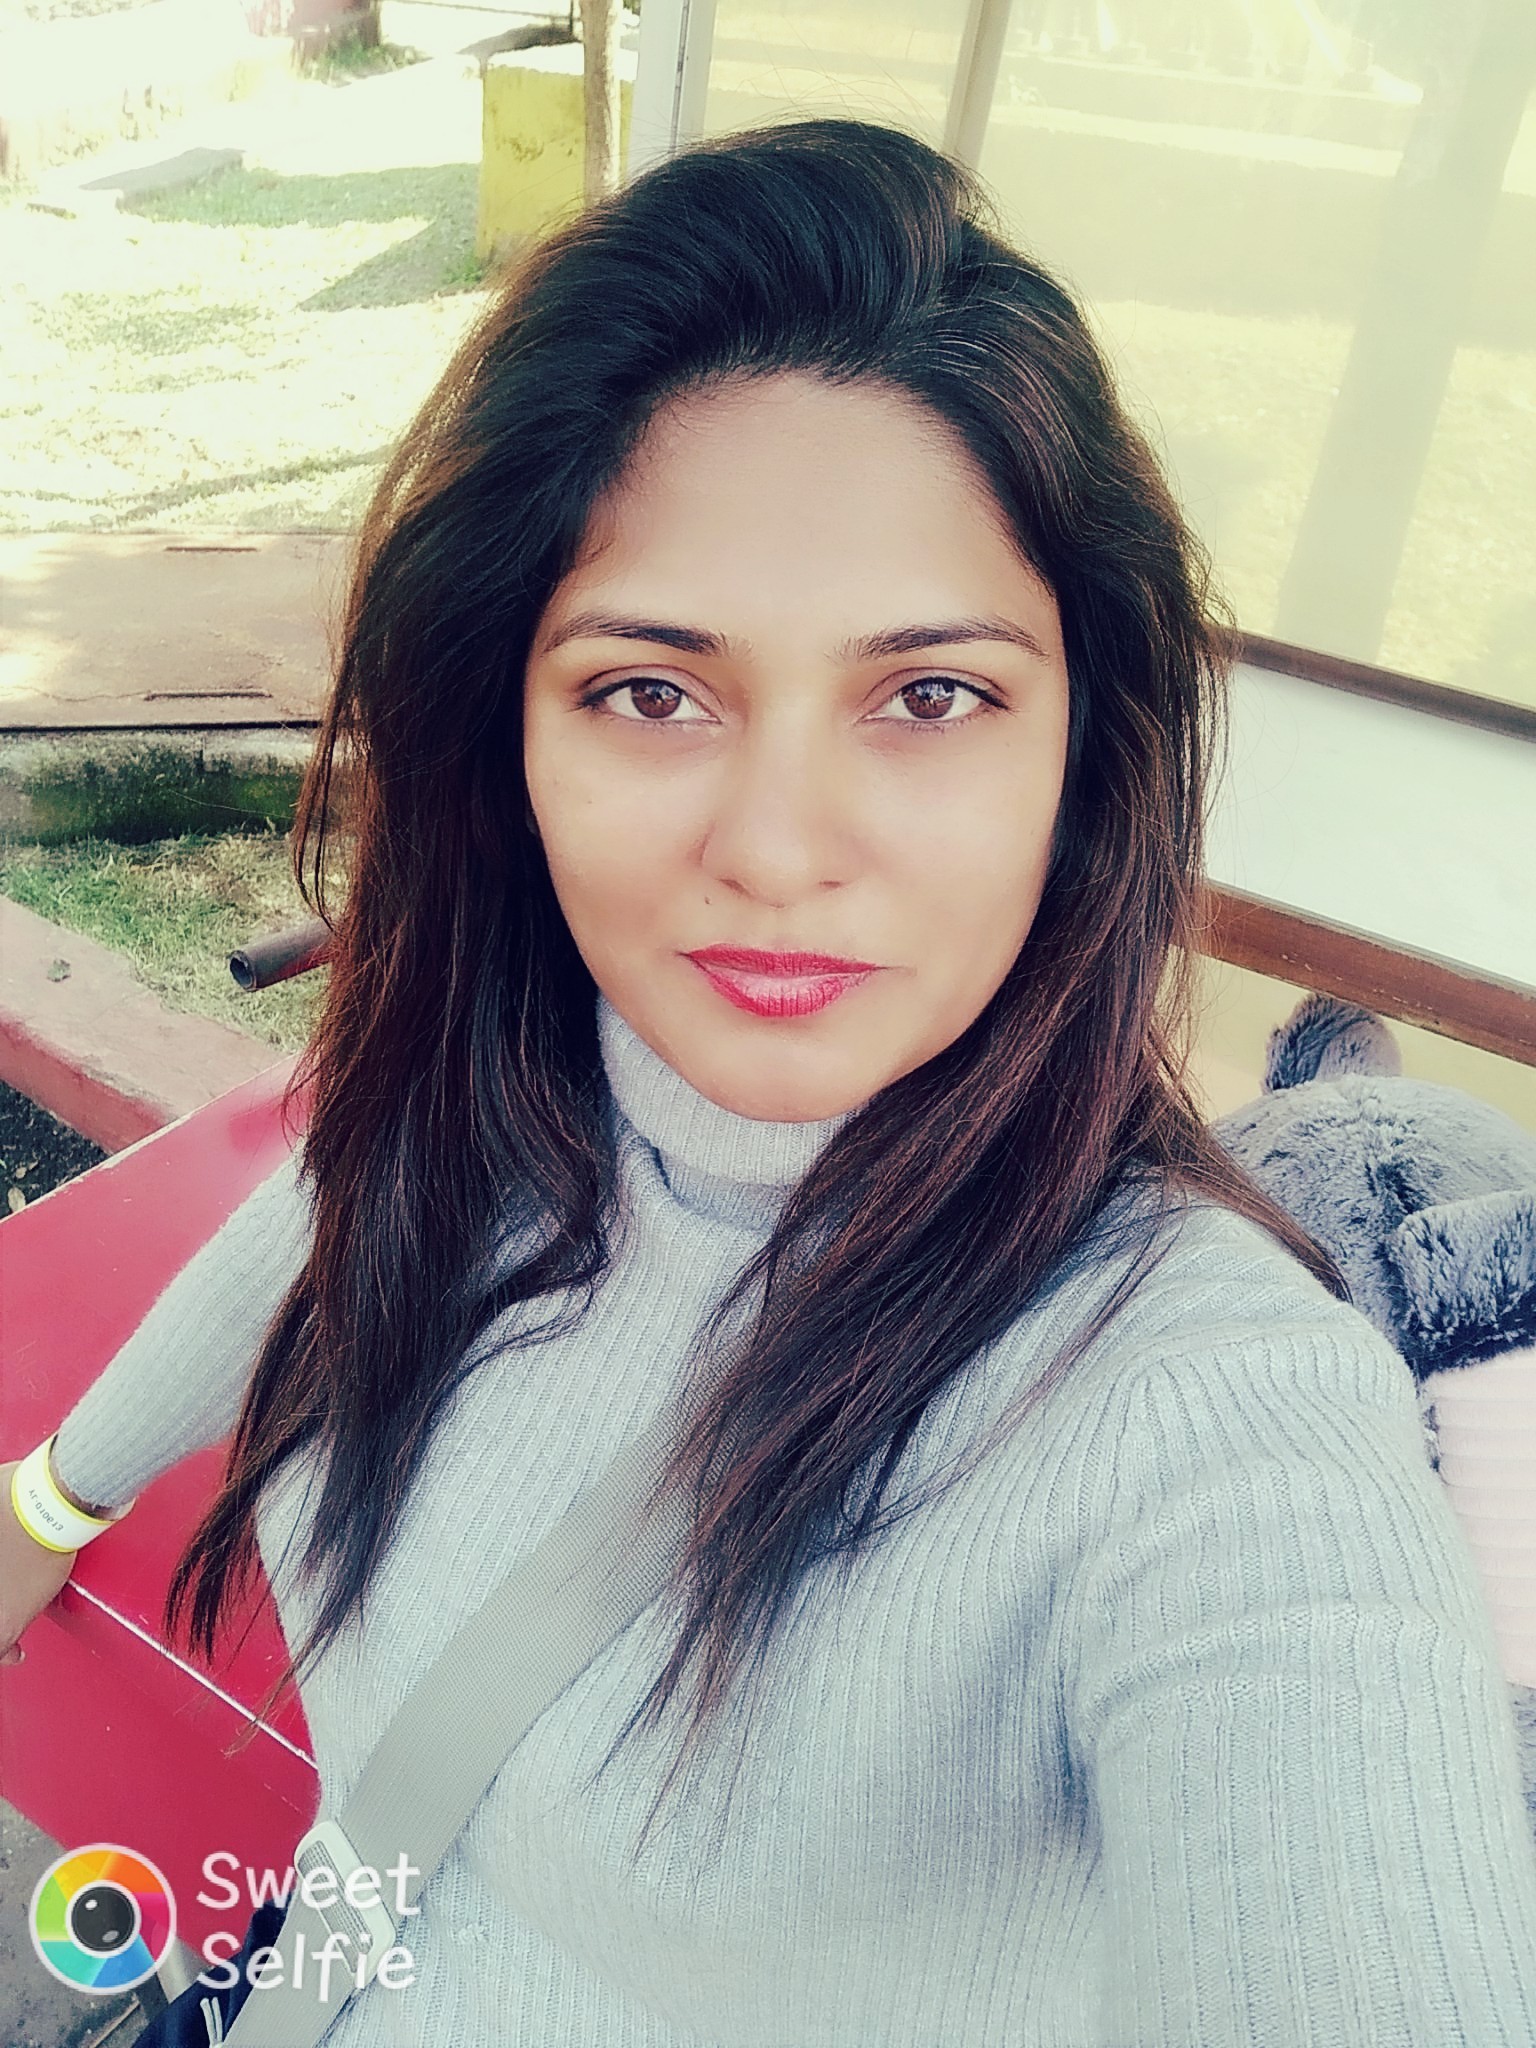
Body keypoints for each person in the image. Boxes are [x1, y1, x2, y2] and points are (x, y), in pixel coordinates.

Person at [4, 116, 1535, 2047]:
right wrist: (48, 1506)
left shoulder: (1209, 1417)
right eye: (650, 691)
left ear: (1083, 752)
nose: (780, 850)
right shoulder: (503, 1086)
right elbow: (326, 1224)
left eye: (931, 695)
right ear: (507, 734)